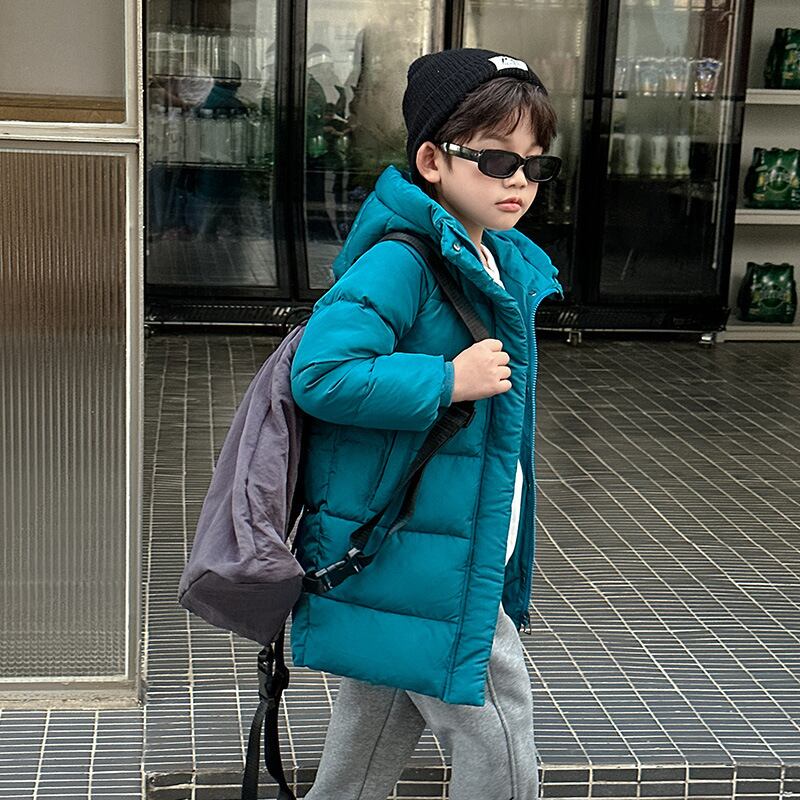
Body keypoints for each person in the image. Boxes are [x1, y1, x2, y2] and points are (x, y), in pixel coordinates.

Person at [289, 47, 562, 800]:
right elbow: (320, 374)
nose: (518, 182)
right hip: (425, 551)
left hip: (425, 537)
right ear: (433, 161)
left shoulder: (493, 256)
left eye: (535, 165)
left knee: (370, 734)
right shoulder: (403, 261)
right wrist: (448, 380)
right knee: (498, 729)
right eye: (497, 160)